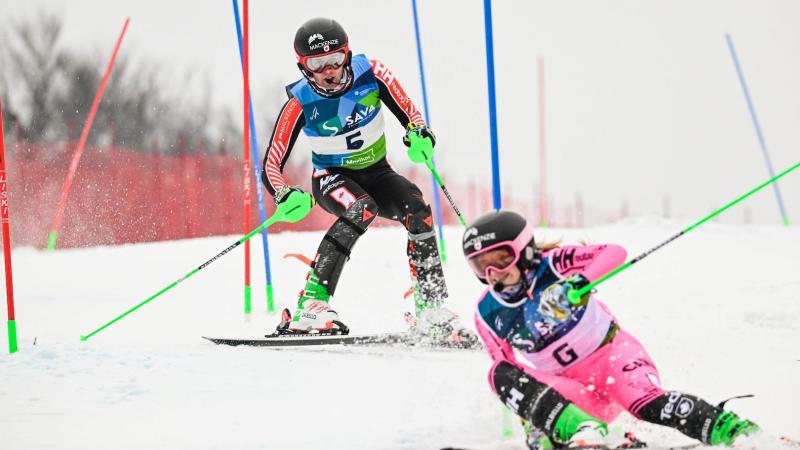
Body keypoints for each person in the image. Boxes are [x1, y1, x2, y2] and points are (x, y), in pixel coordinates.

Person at [462, 210, 759, 449]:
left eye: (502, 259)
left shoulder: (553, 265)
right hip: (572, 394)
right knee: (498, 374)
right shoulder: (487, 311)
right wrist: (534, 423)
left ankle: (733, 430)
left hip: (613, 362)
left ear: (524, 251)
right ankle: (592, 434)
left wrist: (578, 282)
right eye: (481, 266)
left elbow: (614, 253)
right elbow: (511, 373)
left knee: (646, 405)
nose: (493, 274)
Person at [261, 17, 467, 341]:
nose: (329, 70)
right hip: (332, 177)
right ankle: (310, 304)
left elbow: (412, 116)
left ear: (347, 53)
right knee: (361, 208)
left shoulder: (371, 73)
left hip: (378, 172)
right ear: (304, 67)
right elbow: (272, 161)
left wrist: (420, 135)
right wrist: (284, 193)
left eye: (335, 59)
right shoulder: (300, 101)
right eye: (318, 63)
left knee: (418, 210)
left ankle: (431, 307)